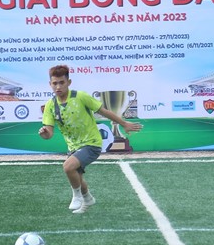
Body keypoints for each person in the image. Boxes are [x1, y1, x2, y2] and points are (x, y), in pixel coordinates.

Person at [38, 64, 142, 214]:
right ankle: (88, 199)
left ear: (69, 82)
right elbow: (49, 133)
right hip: (73, 146)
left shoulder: (80, 97)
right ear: (50, 84)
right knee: (77, 177)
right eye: (55, 83)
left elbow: (104, 111)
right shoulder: (50, 106)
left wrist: (124, 123)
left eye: (61, 82)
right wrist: (44, 134)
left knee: (68, 167)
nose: (58, 86)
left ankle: (77, 196)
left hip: (91, 143)